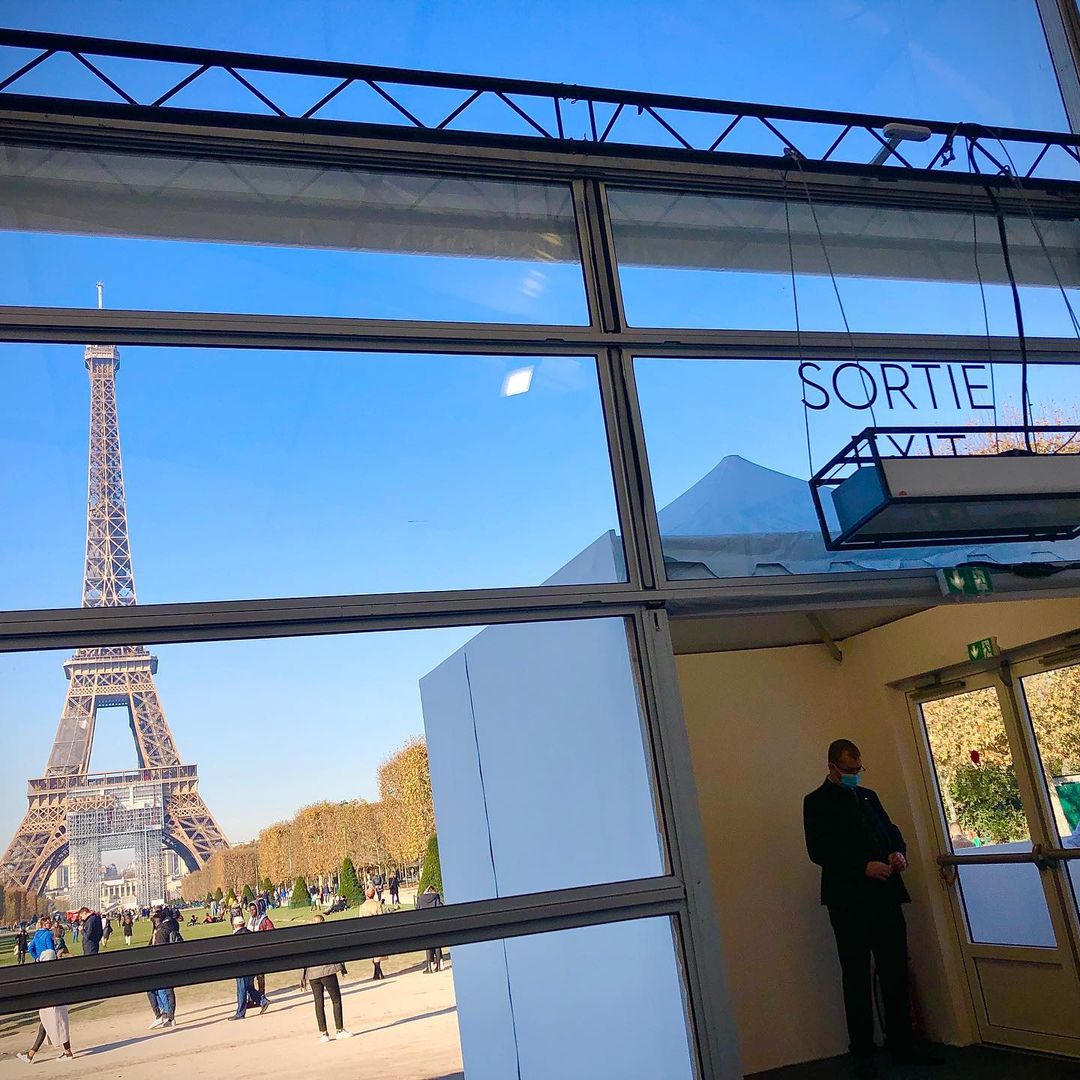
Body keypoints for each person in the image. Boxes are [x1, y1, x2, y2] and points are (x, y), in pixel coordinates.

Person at [803, 739, 941, 1078]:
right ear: (832, 767)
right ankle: (862, 1052)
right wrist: (861, 867)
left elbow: (890, 831)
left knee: (895, 969)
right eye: (849, 770)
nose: (855, 774)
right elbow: (819, 851)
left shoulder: (869, 797)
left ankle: (902, 1044)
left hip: (885, 895)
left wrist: (898, 852)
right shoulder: (816, 802)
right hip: (848, 901)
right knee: (856, 974)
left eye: (858, 769)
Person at [16, 937, 73, 1063]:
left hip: (51, 1006)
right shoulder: (57, 970)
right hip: (57, 1005)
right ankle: (31, 1054)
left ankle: (66, 1052)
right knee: (49, 1027)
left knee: (53, 1026)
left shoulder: (47, 974)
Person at [300, 913, 353, 1043]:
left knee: (319, 1004)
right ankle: (339, 1030)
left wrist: (303, 977)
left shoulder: (307, 939)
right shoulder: (326, 935)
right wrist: (342, 967)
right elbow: (336, 951)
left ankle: (324, 1033)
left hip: (313, 974)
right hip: (327, 971)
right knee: (336, 1000)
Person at [228, 915, 270, 1020]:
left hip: (242, 966)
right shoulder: (250, 933)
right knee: (248, 987)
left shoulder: (235, 937)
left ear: (235, 925)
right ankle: (262, 1001)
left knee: (241, 989)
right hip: (252, 965)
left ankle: (240, 1013)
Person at [147, 914, 177, 1029]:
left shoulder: (161, 931)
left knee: (162, 991)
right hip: (165, 963)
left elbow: (158, 950)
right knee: (162, 991)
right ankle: (166, 1015)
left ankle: (165, 1015)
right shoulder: (168, 928)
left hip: (160, 965)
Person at [358, 886, 389, 980]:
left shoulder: (363, 906)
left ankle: (378, 973)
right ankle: (378, 973)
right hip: (377, 929)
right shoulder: (377, 904)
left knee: (373, 952)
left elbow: (361, 920)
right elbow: (381, 917)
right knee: (377, 951)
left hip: (368, 930)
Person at [246, 901, 275, 998]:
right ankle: (253, 997)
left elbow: (271, 933)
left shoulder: (264, 920)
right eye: (250, 910)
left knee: (260, 976)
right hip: (251, 951)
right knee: (250, 977)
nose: (251, 911)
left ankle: (261, 995)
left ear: (258, 909)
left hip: (260, 951)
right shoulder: (251, 920)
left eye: (253, 909)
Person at [415, 884, 444, 973]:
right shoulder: (436, 897)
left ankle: (430, 966)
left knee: (428, 945)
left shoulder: (420, 899)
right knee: (437, 944)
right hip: (435, 924)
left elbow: (417, 912)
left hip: (425, 925)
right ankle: (439, 964)